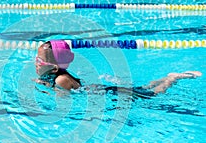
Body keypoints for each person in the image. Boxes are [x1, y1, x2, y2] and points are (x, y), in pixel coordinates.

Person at [35, 40, 202, 97]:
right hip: (107, 90)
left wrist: (46, 89)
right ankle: (166, 77)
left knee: (153, 94)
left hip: (112, 93)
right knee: (144, 88)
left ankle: (174, 78)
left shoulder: (61, 79)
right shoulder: (59, 76)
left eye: (39, 60)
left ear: (55, 67)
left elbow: (63, 102)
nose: (35, 63)